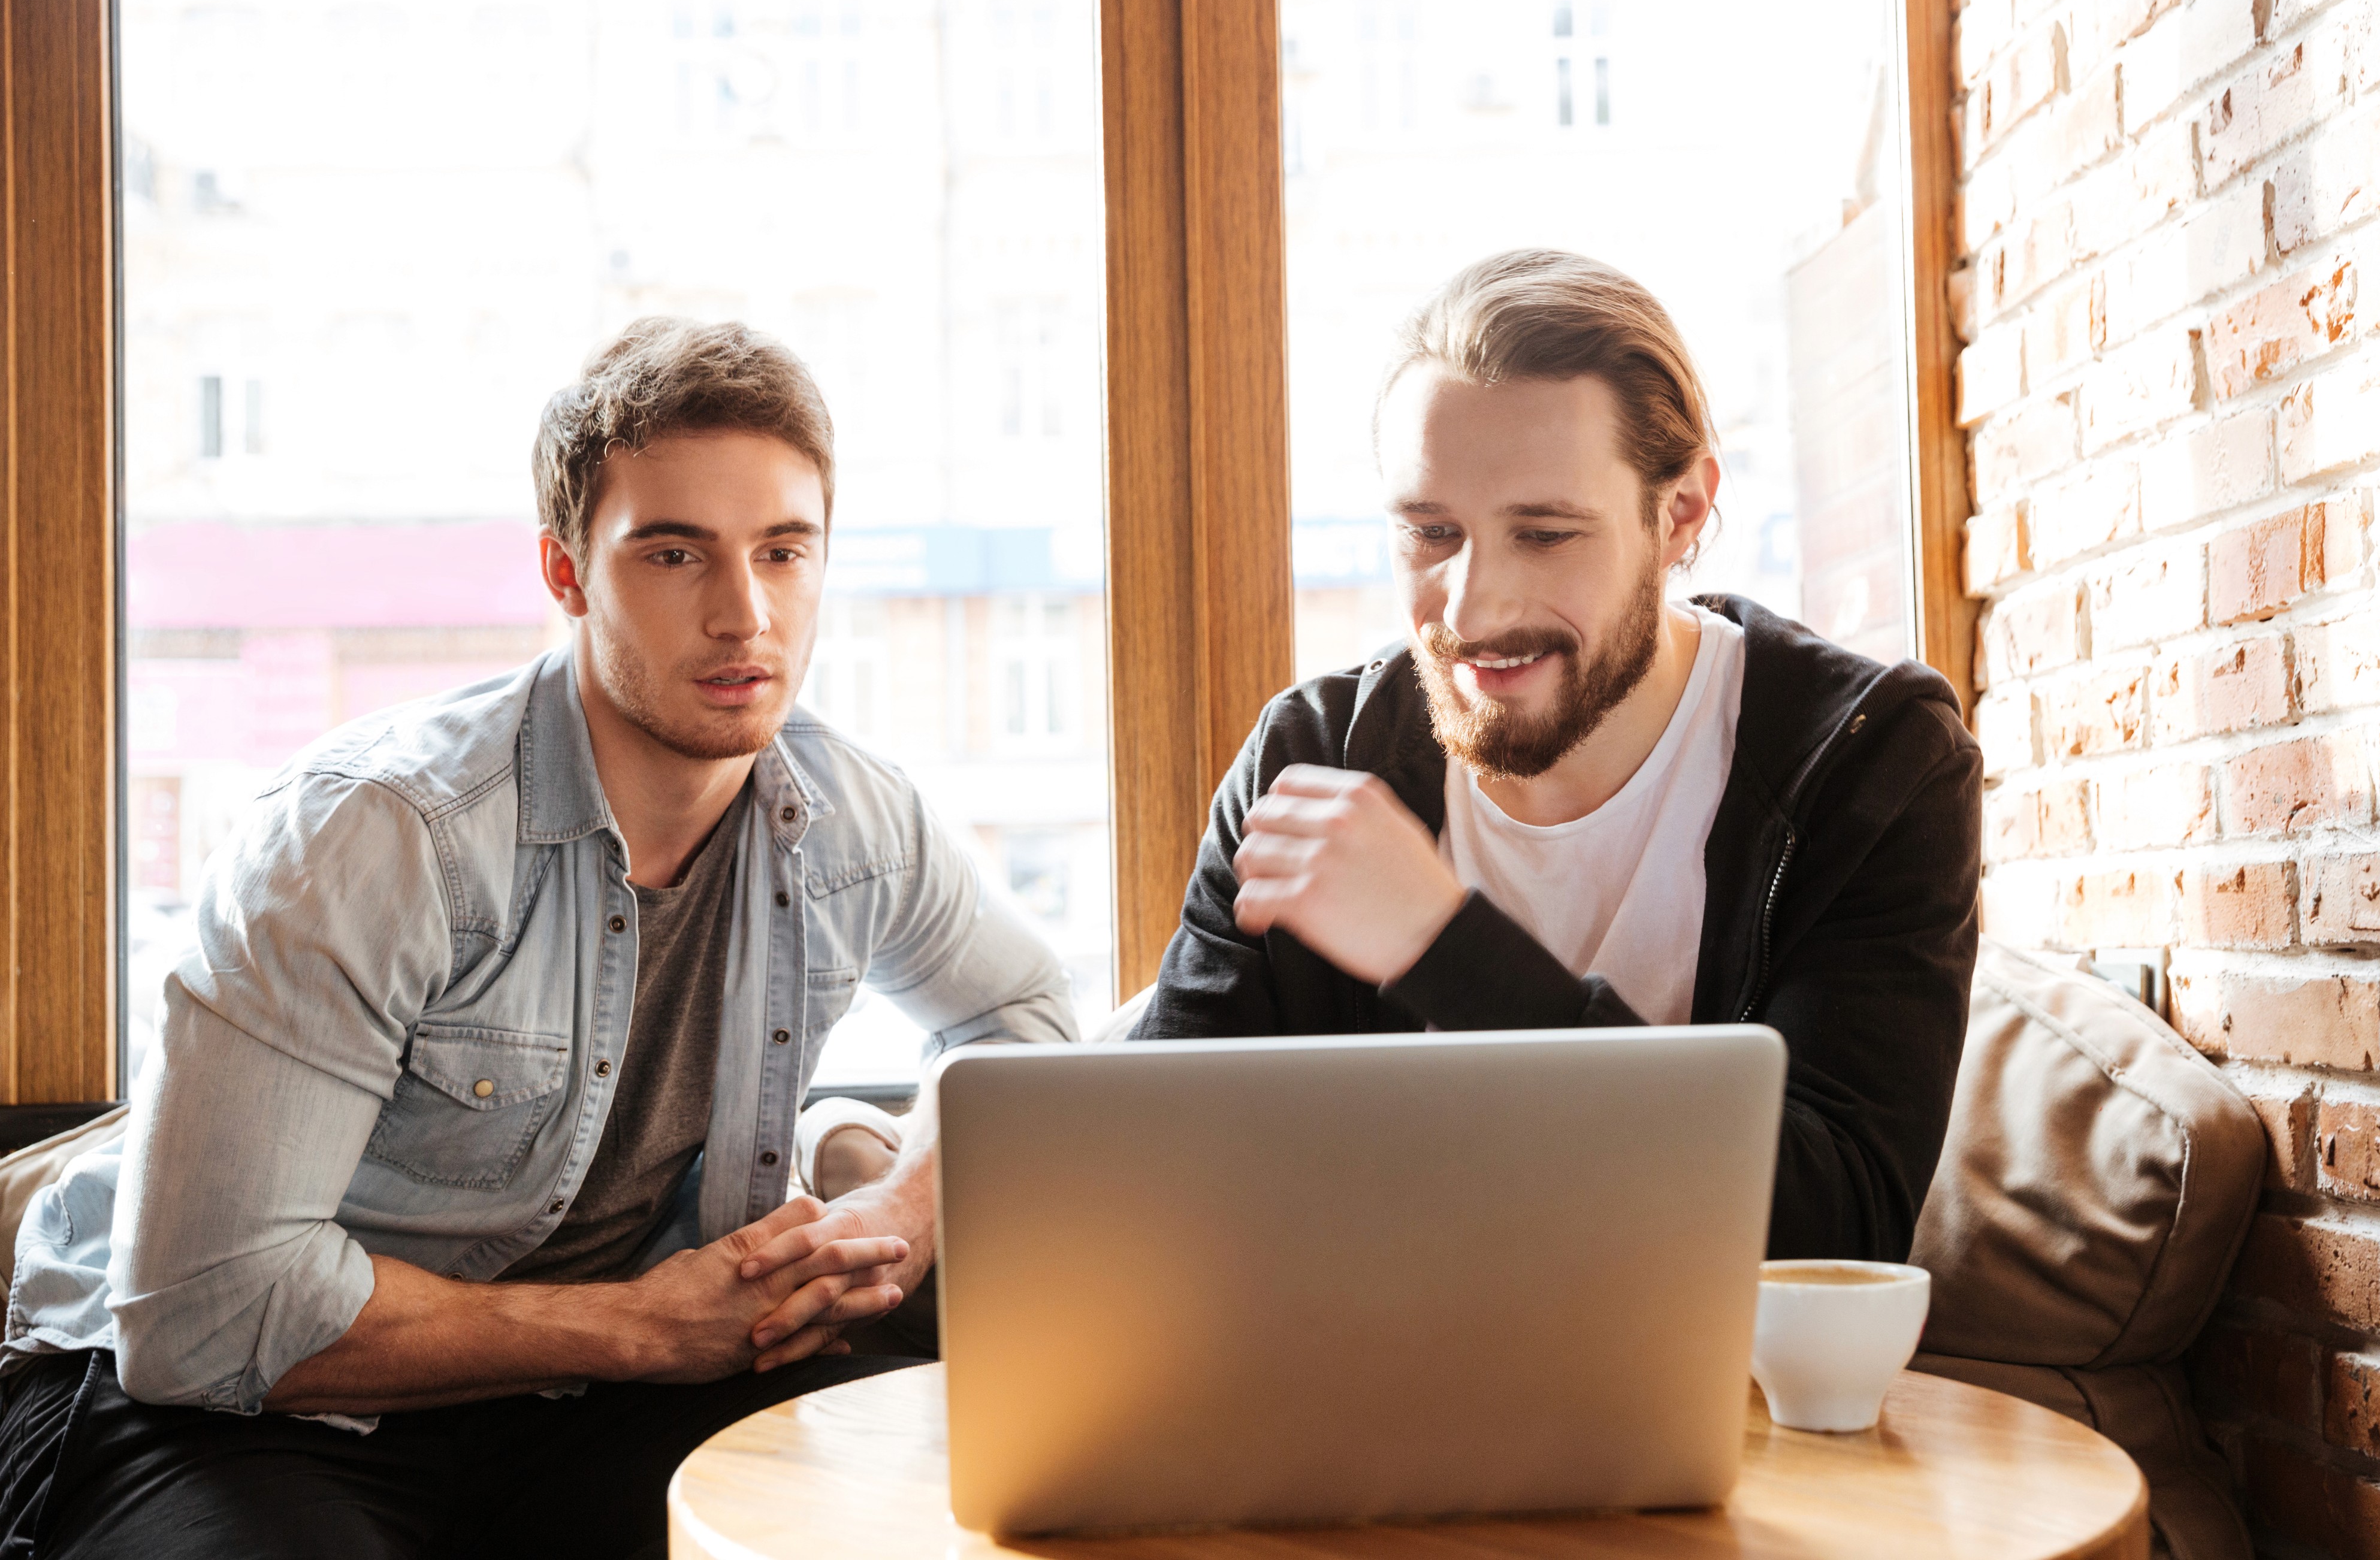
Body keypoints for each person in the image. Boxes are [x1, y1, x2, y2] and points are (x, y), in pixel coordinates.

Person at [0, 318, 1075, 1558]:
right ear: (566, 572)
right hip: (224, 1407)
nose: (744, 614)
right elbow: (204, 1312)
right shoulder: (377, 835)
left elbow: (1027, 1028)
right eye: (675, 554)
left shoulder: (850, 819)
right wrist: (642, 1327)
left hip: (594, 1402)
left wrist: (899, 1207)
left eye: (783, 552)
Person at [1134, 249, 1980, 1262]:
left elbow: (1838, 1227)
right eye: (1431, 532)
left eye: (1543, 535)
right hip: (1353, 1385)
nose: (1471, 607)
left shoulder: (1868, 763)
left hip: (1718, 1405)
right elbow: (1154, 1189)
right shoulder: (1310, 758)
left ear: (1680, 516)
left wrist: (1447, 951)